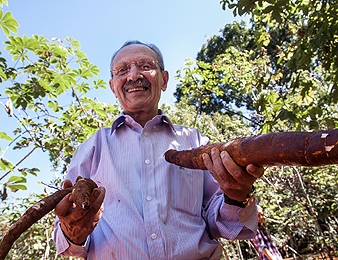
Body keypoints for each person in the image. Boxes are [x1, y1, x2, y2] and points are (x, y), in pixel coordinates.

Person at [53, 40, 264, 259]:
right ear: (113, 87)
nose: (133, 76)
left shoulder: (194, 141)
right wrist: (73, 231)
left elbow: (228, 226)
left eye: (145, 66)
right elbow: (68, 241)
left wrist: (237, 196)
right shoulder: (94, 146)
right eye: (122, 70)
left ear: (164, 80)